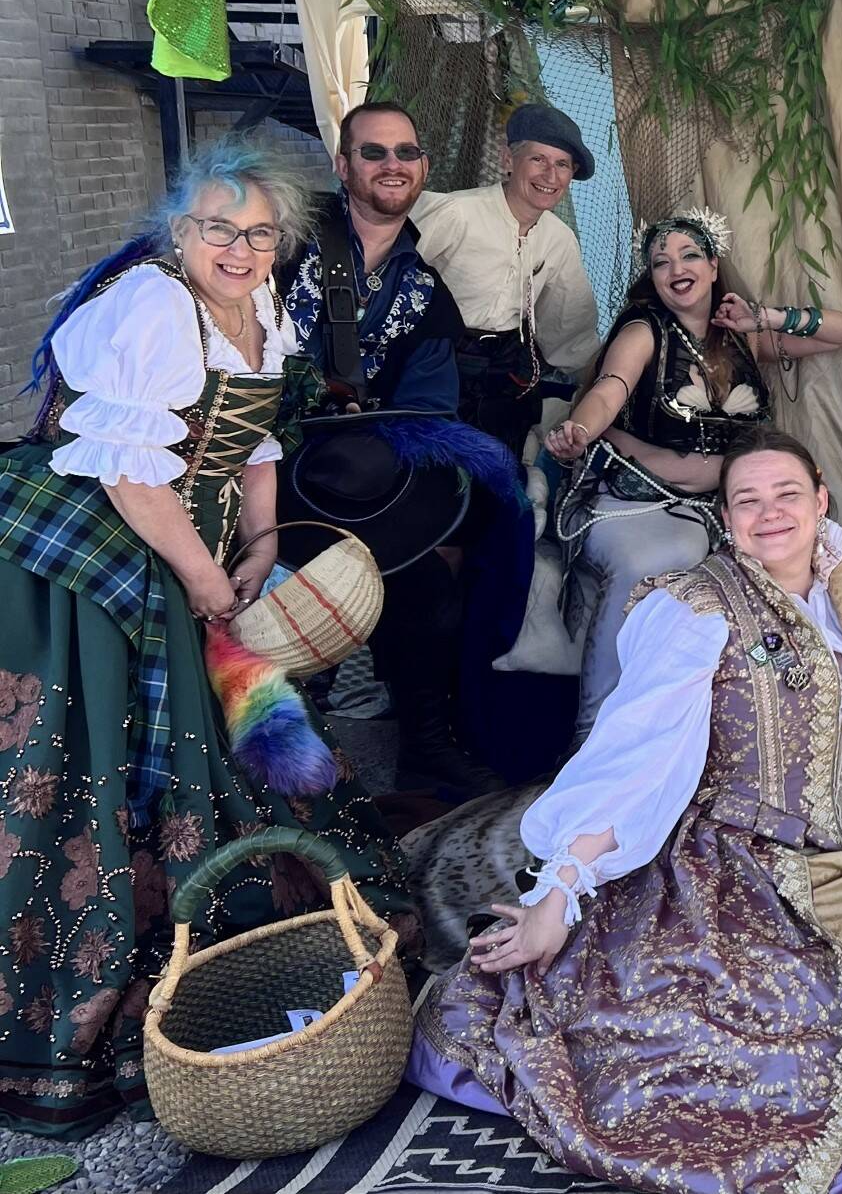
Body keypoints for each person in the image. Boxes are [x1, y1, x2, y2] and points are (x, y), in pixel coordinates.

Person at [411, 430, 842, 1191]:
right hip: (729, 852)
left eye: (786, 496)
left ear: (820, 502)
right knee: (740, 1004)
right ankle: (779, 1135)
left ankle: (831, 1097)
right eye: (748, 500)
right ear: (726, 516)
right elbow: (636, 759)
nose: (770, 515)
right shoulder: (696, 609)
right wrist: (561, 889)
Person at [0, 139, 410, 1137]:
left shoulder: (259, 306)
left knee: (212, 723)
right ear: (180, 230)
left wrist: (259, 544)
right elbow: (133, 471)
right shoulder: (151, 306)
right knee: (110, 750)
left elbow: (256, 439)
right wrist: (199, 571)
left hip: (192, 533)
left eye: (259, 231)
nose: (240, 247)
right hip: (107, 544)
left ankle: (221, 908)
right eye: (219, 228)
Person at [547, 206, 842, 743]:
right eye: (660, 261)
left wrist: (761, 318)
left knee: (817, 555)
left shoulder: (741, 338)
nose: (676, 268)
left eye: (690, 255)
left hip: (725, 503)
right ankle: (593, 736)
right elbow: (610, 388)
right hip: (640, 495)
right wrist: (580, 427)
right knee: (651, 562)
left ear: (714, 266)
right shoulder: (646, 330)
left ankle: (781, 732)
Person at [279, 99, 505, 796]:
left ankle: (423, 750)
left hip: (363, 483)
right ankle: (267, 767)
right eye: (373, 153)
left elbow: (429, 410)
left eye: (406, 153)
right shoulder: (281, 241)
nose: (392, 165)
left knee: (431, 598)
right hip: (263, 471)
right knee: (272, 608)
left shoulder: (427, 293)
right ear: (342, 165)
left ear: (423, 169)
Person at [412, 103, 603, 454]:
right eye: (538, 160)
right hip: (432, 366)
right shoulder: (456, 213)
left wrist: (607, 383)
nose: (550, 176)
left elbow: (569, 329)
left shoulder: (559, 241)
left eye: (562, 165)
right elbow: (393, 278)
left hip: (502, 374)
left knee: (500, 473)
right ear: (507, 160)